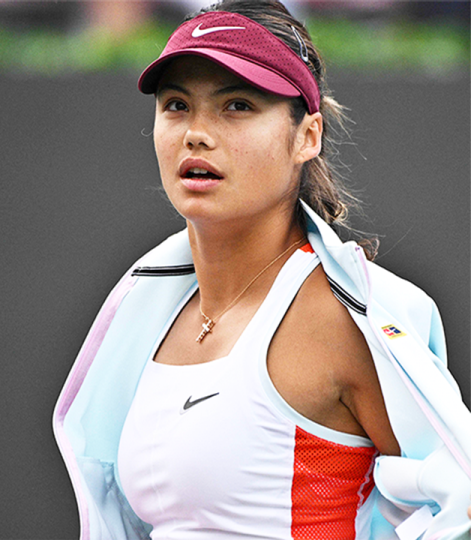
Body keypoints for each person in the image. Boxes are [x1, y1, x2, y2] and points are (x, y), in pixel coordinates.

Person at [52, 1, 471, 539]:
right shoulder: (143, 313)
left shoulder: (343, 319)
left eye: (238, 106)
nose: (196, 133)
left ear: (307, 136)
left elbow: (460, 501)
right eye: (176, 105)